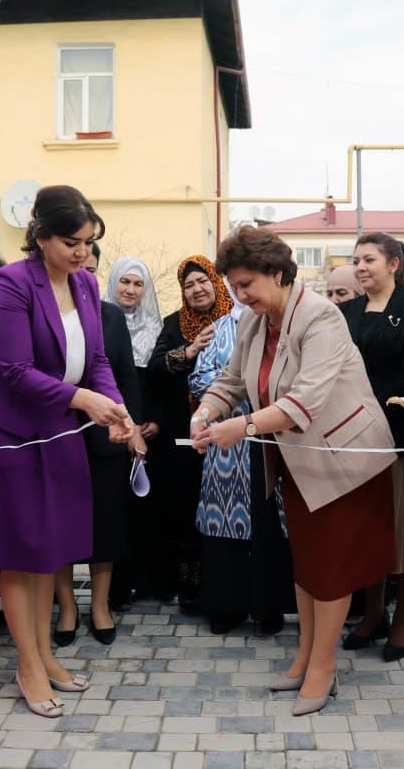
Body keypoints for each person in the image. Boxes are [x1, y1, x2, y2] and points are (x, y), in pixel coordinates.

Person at [191, 226, 396, 717]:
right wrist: (204, 414)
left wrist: (239, 427)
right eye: (235, 287)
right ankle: (306, 653)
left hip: (346, 462)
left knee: (330, 571)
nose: (240, 296)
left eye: (247, 285)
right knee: (306, 566)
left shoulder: (321, 318)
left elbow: (304, 400)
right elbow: (232, 379)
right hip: (297, 462)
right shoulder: (254, 321)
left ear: (277, 274)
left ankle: (323, 666)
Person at [0, 185, 132, 719]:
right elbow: (13, 369)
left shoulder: (84, 282)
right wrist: (84, 400)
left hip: (57, 427)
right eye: (70, 241)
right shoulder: (14, 282)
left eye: (88, 241)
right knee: (20, 551)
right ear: (39, 237)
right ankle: (29, 664)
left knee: (51, 548)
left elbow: (98, 359)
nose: (82, 252)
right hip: (12, 432)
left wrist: (117, 408)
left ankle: (45, 658)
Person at [339, 233, 404, 661]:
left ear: (394, 264)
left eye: (370, 260)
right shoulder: (345, 312)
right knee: (370, 529)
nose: (361, 267)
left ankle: (403, 617)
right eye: (357, 260)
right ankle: (374, 611)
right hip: (357, 436)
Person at [53, 245, 147, 646]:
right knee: (59, 524)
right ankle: (67, 607)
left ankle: (100, 605)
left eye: (92, 270)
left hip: (106, 432)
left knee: (106, 523)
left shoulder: (109, 316)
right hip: (56, 432)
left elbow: (124, 375)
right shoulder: (46, 313)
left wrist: (133, 426)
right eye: (79, 268)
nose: (84, 276)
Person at [188, 289, 294, 636]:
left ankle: (269, 609)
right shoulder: (220, 328)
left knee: (270, 526)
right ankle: (225, 607)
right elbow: (200, 375)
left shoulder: (285, 325)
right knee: (224, 526)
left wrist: (254, 392)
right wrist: (235, 393)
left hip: (272, 439)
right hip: (226, 444)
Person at [147, 255, 234, 612]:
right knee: (185, 510)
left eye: (202, 281)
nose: (196, 289)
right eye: (188, 285)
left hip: (231, 436)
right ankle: (190, 589)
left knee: (225, 512)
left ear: (216, 282)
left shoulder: (238, 321)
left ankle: (225, 588)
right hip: (183, 438)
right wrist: (190, 350)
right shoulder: (173, 324)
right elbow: (154, 371)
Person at [100, 255, 164, 608]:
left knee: (145, 507)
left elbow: (155, 381)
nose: (131, 290)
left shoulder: (157, 326)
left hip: (145, 426)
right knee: (115, 508)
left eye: (138, 284)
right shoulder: (97, 323)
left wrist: (153, 420)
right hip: (109, 425)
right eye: (125, 282)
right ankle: (116, 589)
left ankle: (147, 581)